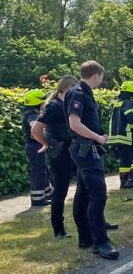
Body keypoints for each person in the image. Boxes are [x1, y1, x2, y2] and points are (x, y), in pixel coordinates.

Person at [65, 61, 119, 260]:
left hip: (86, 149)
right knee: (98, 194)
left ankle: (85, 238)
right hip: (86, 149)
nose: (101, 81)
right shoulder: (78, 93)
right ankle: (101, 242)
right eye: (102, 77)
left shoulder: (83, 92)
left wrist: (99, 134)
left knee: (83, 194)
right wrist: (97, 138)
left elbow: (86, 121)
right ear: (96, 75)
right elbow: (74, 123)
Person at [31, 75, 79, 238]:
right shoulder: (53, 106)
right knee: (60, 190)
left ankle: (91, 220)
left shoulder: (66, 105)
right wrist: (47, 143)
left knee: (86, 185)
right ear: (67, 87)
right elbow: (35, 130)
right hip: (60, 152)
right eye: (75, 87)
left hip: (71, 150)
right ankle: (58, 228)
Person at [108, 81, 133, 189]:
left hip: (117, 138)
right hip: (128, 136)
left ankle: (124, 182)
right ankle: (132, 179)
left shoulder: (118, 103)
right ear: (130, 93)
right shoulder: (129, 103)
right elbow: (131, 117)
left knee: (125, 160)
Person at [21, 89, 52, 207]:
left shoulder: (29, 112)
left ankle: (48, 193)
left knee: (43, 169)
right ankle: (37, 199)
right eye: (43, 102)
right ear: (37, 103)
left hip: (35, 145)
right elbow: (34, 128)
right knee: (38, 171)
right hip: (34, 146)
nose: (45, 104)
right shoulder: (32, 115)